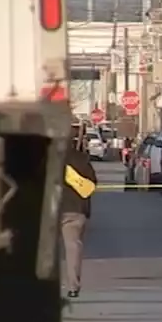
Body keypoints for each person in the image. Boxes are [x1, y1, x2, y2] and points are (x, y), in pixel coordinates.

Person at [61, 127, 98, 299]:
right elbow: (91, 185)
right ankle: (73, 287)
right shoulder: (81, 159)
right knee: (73, 247)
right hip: (75, 209)